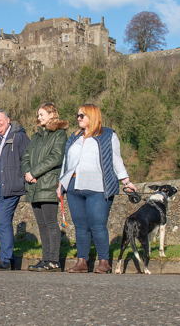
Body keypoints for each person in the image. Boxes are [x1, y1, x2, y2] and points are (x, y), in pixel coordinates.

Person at [58, 104, 138, 274]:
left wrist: (126, 181)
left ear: (92, 116)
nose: (78, 118)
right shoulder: (74, 137)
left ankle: (104, 262)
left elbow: (116, 160)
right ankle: (82, 261)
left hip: (98, 187)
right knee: (80, 227)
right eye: (78, 115)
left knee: (98, 225)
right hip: (73, 186)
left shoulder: (108, 135)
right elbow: (66, 161)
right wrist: (61, 184)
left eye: (82, 115)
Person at [21, 103, 68, 272]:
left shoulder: (60, 134)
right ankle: (46, 258)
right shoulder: (36, 136)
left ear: (52, 114)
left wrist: (34, 172)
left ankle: (54, 260)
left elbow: (56, 157)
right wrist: (27, 172)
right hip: (34, 186)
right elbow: (25, 156)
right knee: (41, 225)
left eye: (42, 114)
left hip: (48, 183)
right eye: (38, 115)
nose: (39, 117)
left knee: (50, 223)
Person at [0, 109, 30, 271]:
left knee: (3, 221)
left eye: (0, 121)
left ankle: (6, 259)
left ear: (8, 120)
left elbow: (27, 158)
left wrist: (23, 179)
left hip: (10, 187)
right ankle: (8, 258)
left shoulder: (18, 136)